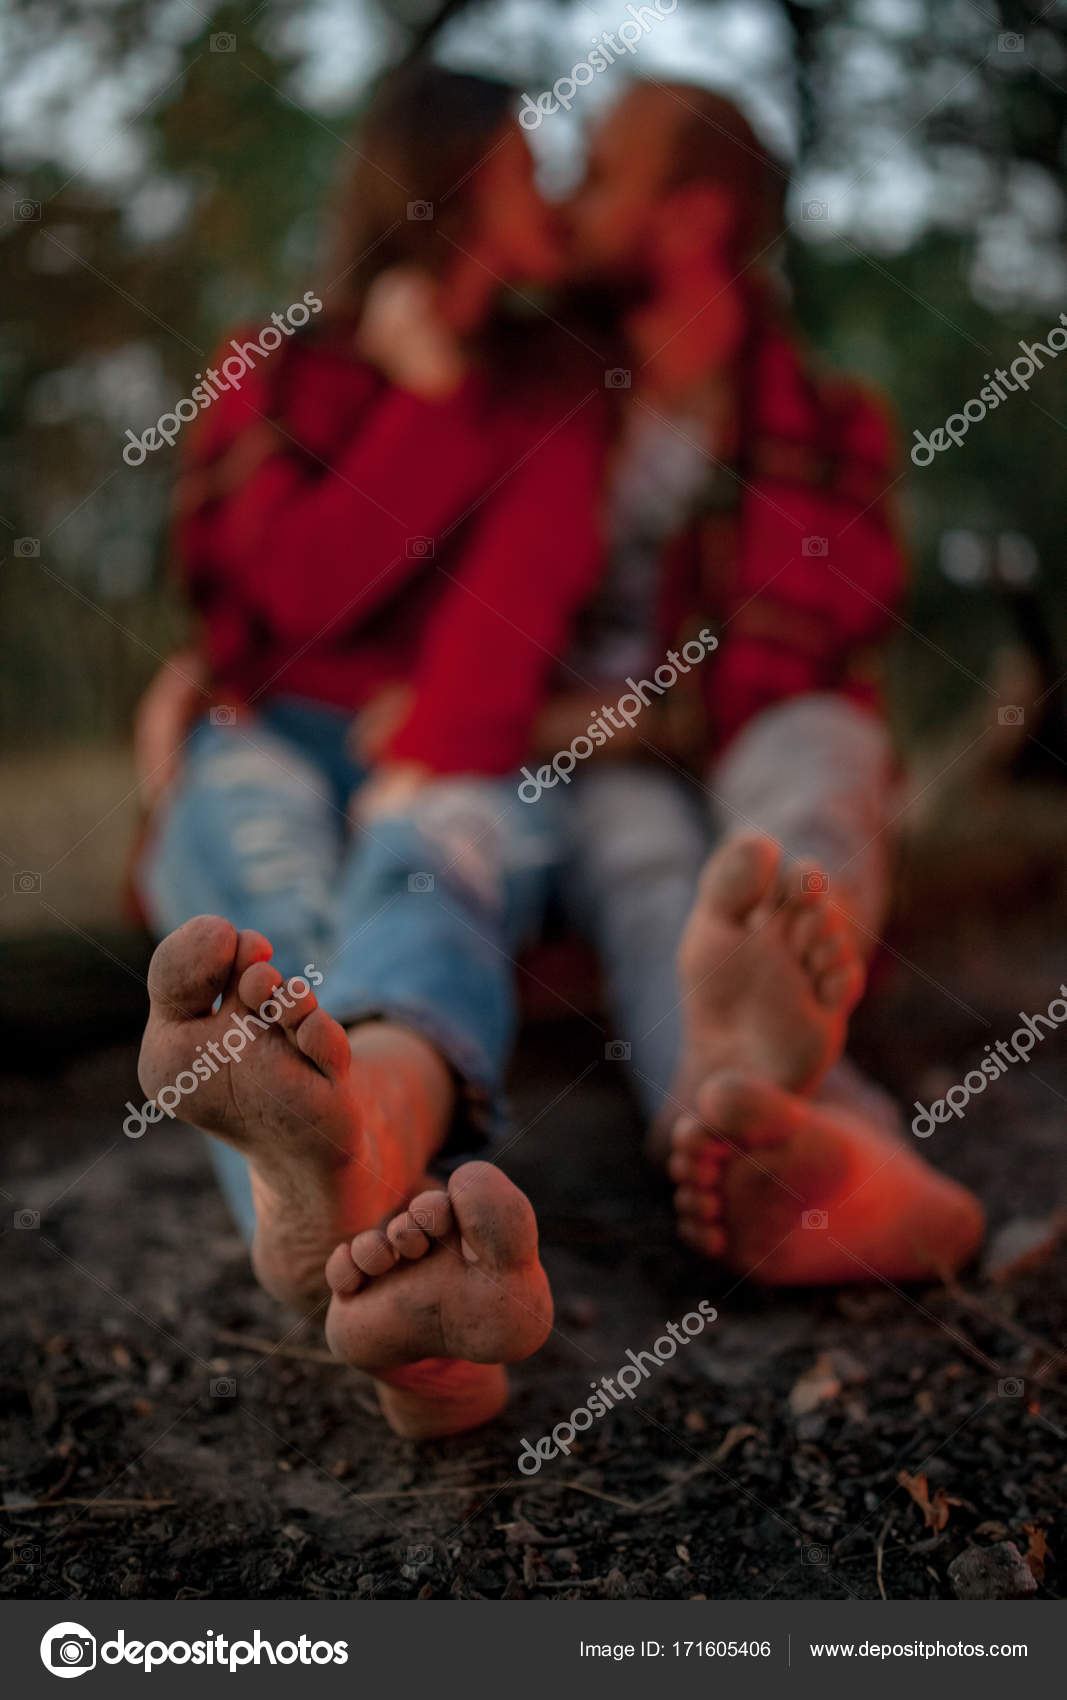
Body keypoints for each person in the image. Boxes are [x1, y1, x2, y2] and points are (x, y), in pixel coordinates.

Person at [135, 62, 613, 1440]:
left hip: (446, 740)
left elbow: (519, 603)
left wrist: (448, 740)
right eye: (528, 164)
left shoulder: (553, 384)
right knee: (250, 842)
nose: (556, 189)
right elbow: (282, 596)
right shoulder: (271, 364)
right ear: (448, 184)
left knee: (435, 849)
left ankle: (341, 1192)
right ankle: (380, 1200)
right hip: (269, 727)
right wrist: (417, 400)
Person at [551, 80, 985, 1283]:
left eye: (595, 173)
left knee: (814, 768)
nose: (562, 199)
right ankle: (839, 1148)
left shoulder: (831, 420)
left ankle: (740, 1079)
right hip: (584, 766)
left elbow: (800, 648)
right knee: (640, 865)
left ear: (689, 219)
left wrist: (641, 716)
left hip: (736, 728)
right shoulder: (537, 401)